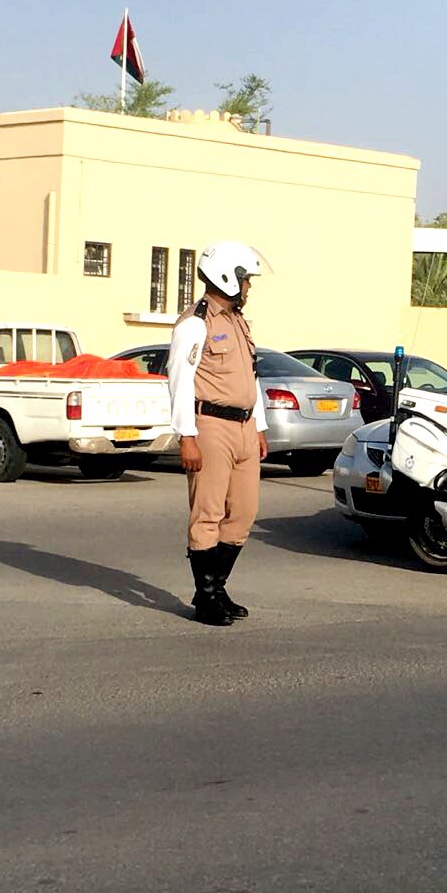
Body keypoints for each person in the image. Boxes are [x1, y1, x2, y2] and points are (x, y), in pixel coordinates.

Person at [166, 242, 270, 625]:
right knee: (207, 513)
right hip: (209, 426)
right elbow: (180, 380)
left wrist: (258, 425)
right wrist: (186, 436)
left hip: (243, 426)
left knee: (243, 513)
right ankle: (207, 598)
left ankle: (215, 587)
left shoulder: (237, 322)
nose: (249, 287)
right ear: (228, 276)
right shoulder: (196, 322)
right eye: (246, 279)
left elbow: (251, 377)